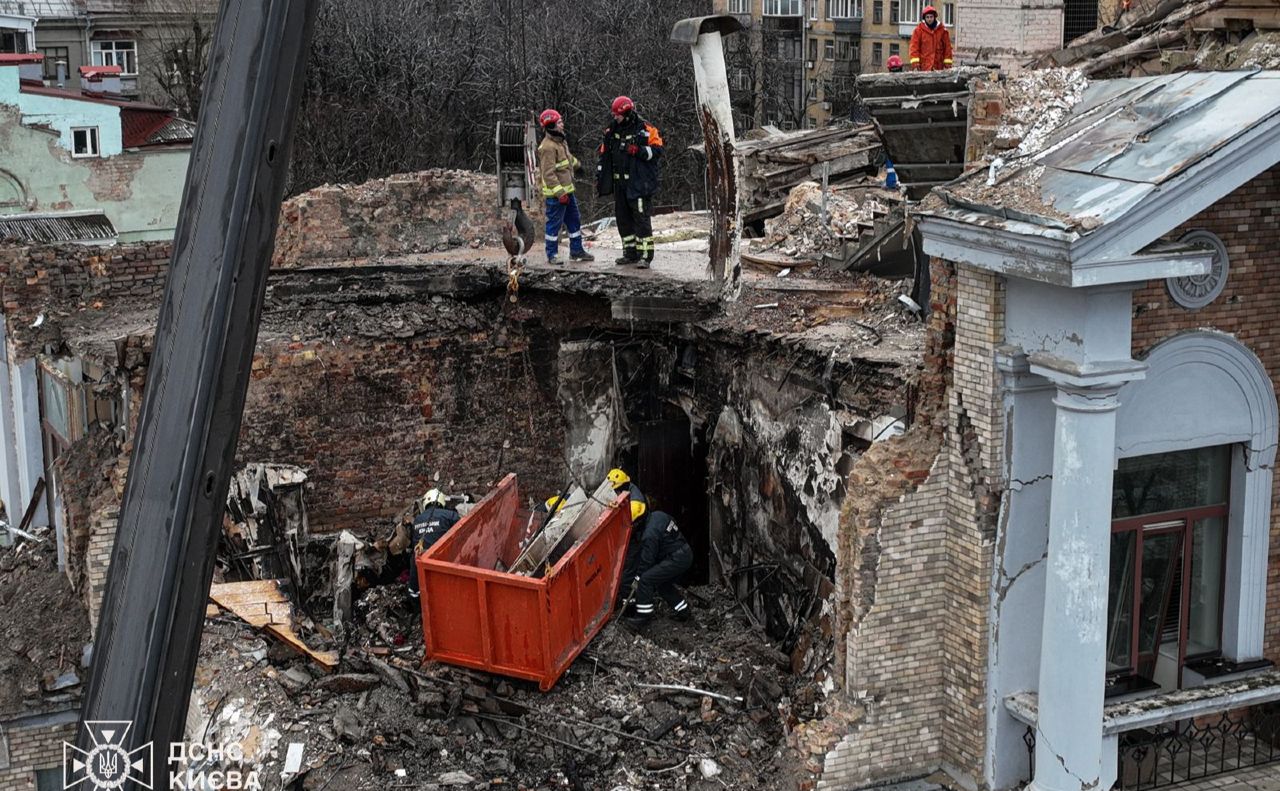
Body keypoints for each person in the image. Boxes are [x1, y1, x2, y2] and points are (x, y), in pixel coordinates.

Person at [596, 96, 664, 269]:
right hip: (620, 185)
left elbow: (657, 151)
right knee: (623, 219)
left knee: (641, 220)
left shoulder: (646, 129)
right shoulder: (612, 130)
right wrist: (601, 175)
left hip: (639, 184)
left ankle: (645, 256)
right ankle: (630, 253)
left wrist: (638, 150)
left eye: (617, 114)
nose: (615, 117)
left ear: (626, 112)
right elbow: (604, 153)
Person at [537, 108, 595, 265]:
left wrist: (578, 166)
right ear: (552, 125)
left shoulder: (560, 141)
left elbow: (567, 159)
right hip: (557, 197)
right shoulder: (547, 147)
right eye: (560, 122)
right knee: (554, 226)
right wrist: (560, 193)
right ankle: (552, 255)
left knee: (574, 222)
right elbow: (548, 174)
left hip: (568, 193)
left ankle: (576, 251)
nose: (563, 124)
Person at [624, 510, 693, 629]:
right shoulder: (658, 515)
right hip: (684, 552)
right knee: (662, 584)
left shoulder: (649, 535)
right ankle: (684, 611)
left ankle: (643, 617)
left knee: (646, 580)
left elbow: (647, 561)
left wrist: (637, 577)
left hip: (676, 558)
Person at [406, 488, 460, 601]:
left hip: (419, 570)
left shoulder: (417, 520)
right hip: (444, 566)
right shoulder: (451, 515)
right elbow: (462, 535)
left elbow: (413, 544)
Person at [909, 5, 953, 72]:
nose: (929, 19)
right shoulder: (918, 31)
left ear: (934, 17)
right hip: (924, 67)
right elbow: (914, 48)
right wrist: (915, 64)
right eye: (927, 17)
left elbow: (947, 48)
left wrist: (947, 64)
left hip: (938, 67)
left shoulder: (942, 30)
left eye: (931, 17)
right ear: (924, 18)